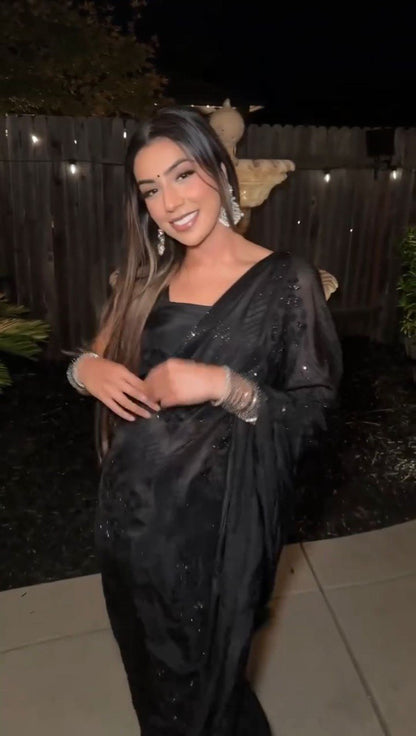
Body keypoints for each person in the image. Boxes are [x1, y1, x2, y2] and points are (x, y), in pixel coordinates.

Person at [67, 106, 342, 736]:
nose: (169, 202)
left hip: (217, 533)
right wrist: (85, 370)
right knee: (156, 687)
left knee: (210, 690)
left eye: (182, 175)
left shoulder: (286, 282)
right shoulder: (147, 278)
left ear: (219, 169)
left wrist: (223, 385)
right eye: (150, 190)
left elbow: (314, 415)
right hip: (132, 522)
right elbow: (93, 354)